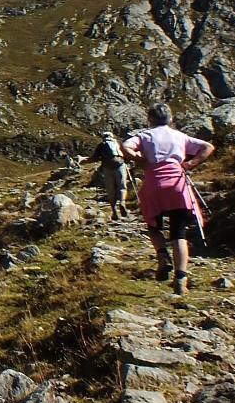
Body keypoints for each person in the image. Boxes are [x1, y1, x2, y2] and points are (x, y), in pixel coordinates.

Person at [122, 103, 214, 295]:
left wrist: (140, 160)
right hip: (177, 185)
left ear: (150, 119)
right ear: (170, 118)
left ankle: (162, 255)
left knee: (154, 226)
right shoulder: (180, 136)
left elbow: (125, 146)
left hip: (154, 183)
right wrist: (189, 164)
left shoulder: (145, 136)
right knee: (179, 233)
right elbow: (207, 147)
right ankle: (181, 279)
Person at [91, 131, 130, 219]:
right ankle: (122, 203)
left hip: (107, 167)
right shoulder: (118, 143)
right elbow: (126, 154)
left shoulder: (101, 145)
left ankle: (114, 211)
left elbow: (95, 157)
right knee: (122, 187)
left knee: (110, 189)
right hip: (120, 165)